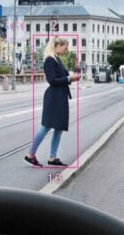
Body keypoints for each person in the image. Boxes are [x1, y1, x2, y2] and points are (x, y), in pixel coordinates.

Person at [24, 38, 81, 167]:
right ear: (57, 46)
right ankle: (30, 154)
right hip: (54, 98)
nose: (66, 51)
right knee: (46, 126)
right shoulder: (49, 60)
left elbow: (63, 76)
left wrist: (72, 77)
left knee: (59, 128)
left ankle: (52, 157)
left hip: (60, 97)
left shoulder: (56, 58)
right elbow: (52, 80)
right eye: (65, 48)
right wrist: (68, 78)